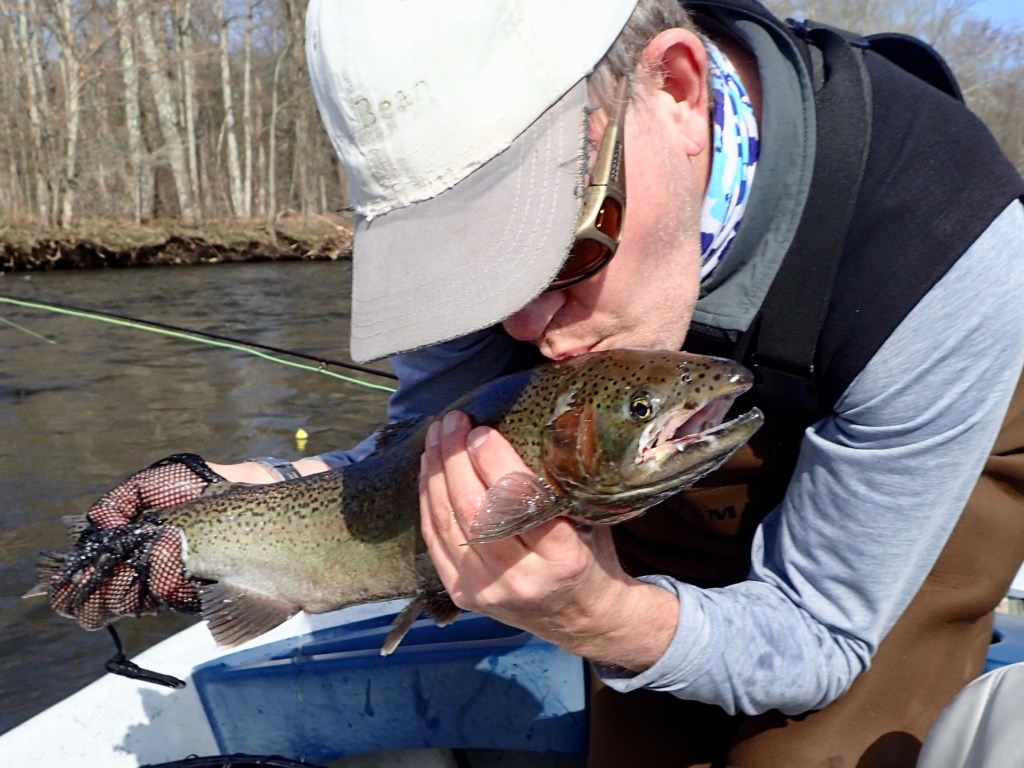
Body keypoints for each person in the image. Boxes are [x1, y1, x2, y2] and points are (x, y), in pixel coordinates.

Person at [74, 1, 1024, 765]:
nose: (527, 327)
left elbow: (818, 636)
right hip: (630, 461)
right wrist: (252, 500)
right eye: (475, 278)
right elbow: (413, 459)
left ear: (677, 90)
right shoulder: (494, 233)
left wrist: (602, 616)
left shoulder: (945, 255)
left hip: (900, 495)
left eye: (558, 253)